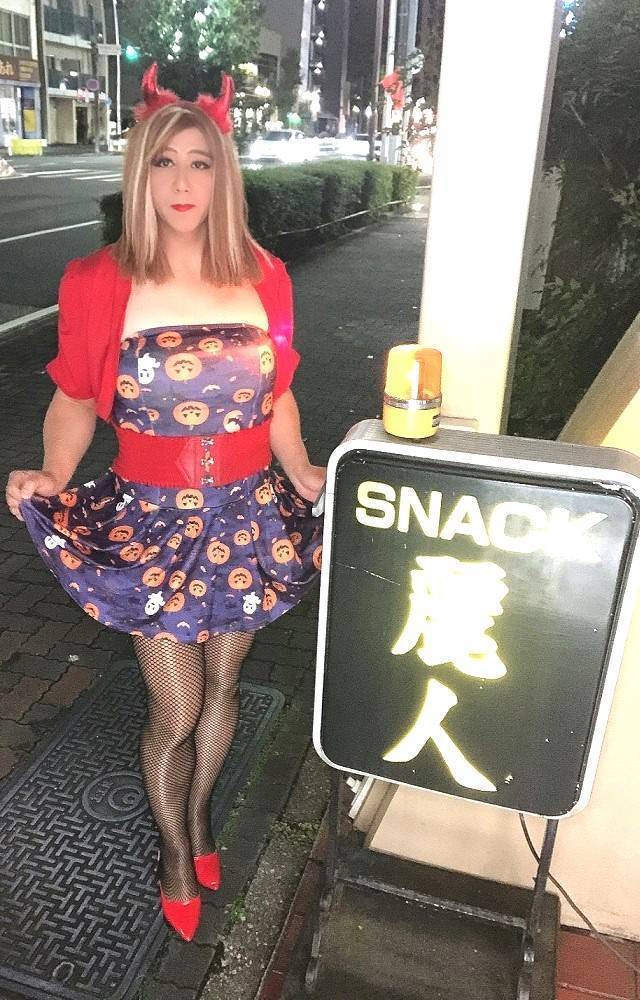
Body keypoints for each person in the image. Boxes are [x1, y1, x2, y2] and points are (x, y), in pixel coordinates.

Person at [5, 63, 325, 943]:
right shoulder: (98, 279)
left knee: (225, 683)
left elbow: (279, 392)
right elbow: (75, 395)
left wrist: (300, 468)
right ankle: (175, 853)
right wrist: (54, 472)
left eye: (200, 163)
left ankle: (202, 815)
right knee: (175, 708)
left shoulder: (265, 275)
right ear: (140, 173)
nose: (182, 182)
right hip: (151, 521)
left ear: (224, 175)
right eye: (163, 162)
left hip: (249, 515)